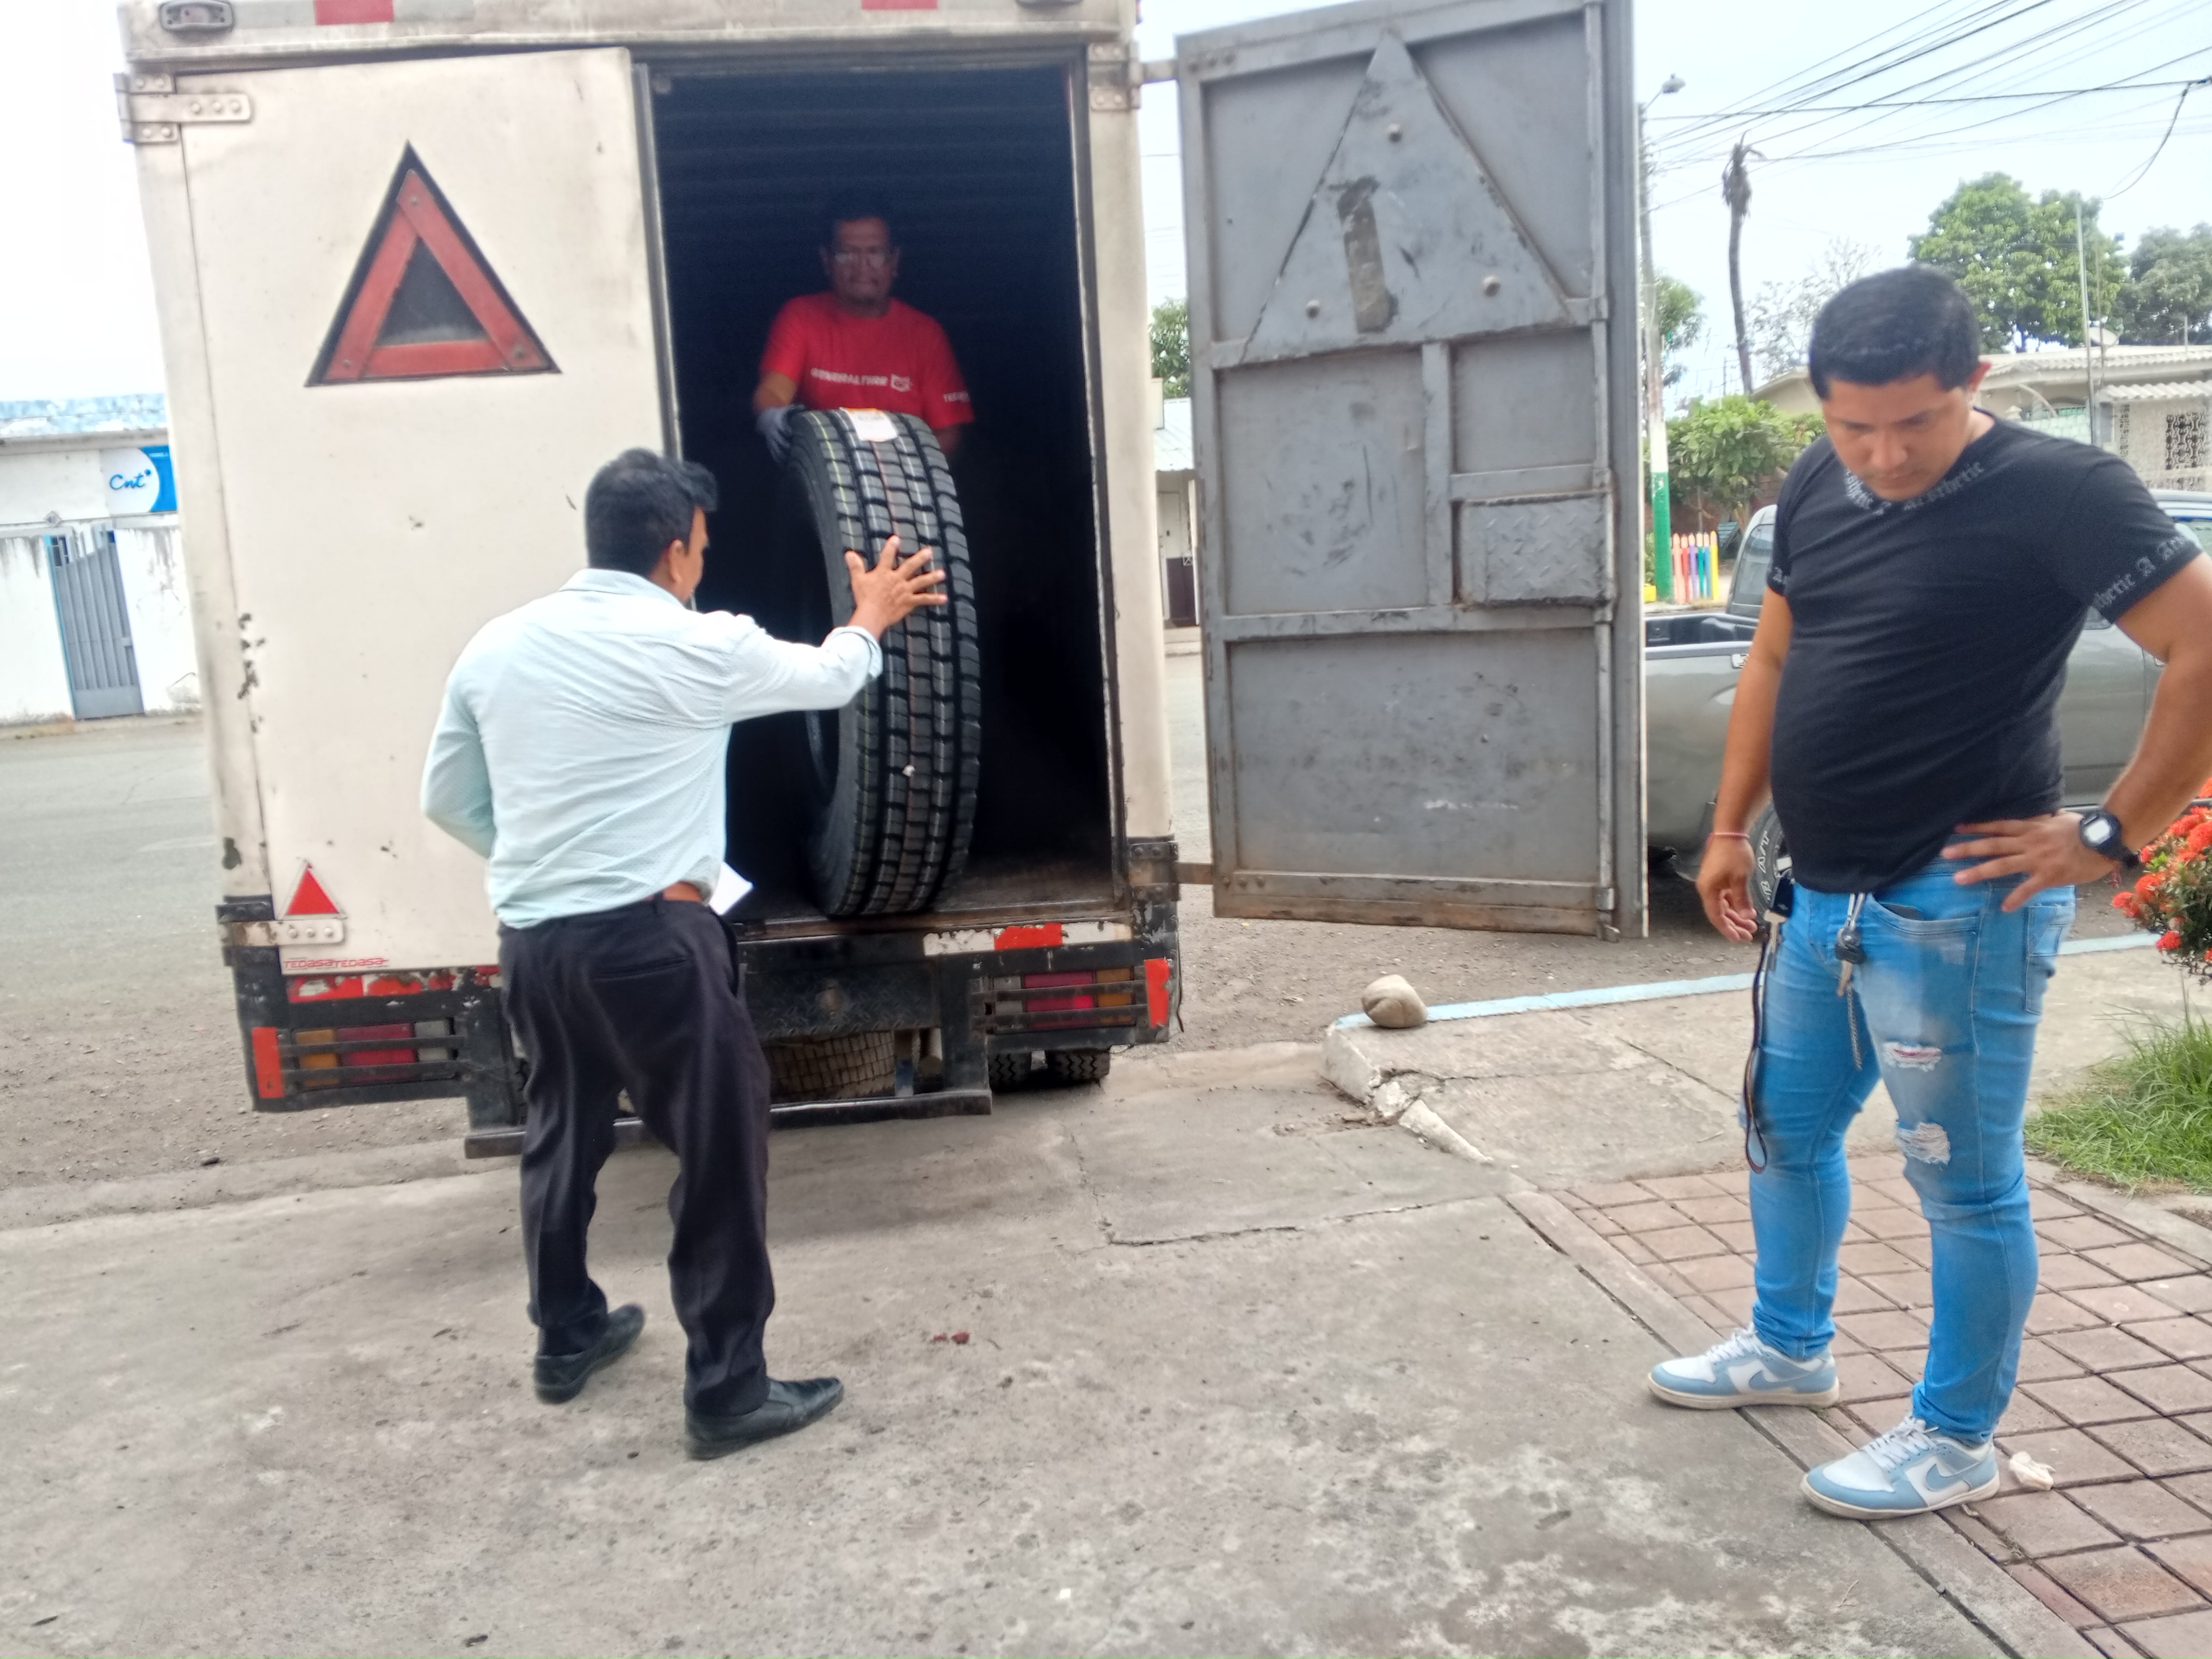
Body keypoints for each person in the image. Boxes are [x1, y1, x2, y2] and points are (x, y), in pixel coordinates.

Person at [1647, 266, 2212, 1519]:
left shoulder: (2063, 490)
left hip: (1955, 903)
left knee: (1960, 1177)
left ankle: (1955, 1437)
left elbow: (2202, 645)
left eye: (1915, 420)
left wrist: (2111, 836)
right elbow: (1776, 654)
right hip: (1819, 891)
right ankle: (1787, 1346)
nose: (1884, 453)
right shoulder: (1817, 478)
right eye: (1853, 424)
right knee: (1781, 1131)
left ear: (1975, 382)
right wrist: (1729, 824)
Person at [421, 447, 944, 1459]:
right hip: (651, 947)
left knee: (560, 1129)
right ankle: (727, 1390)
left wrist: (550, 867)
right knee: (716, 1150)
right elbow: (832, 676)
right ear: (674, 551)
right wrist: (871, 613)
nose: (701, 564)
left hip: (534, 942)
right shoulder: (700, 643)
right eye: (700, 547)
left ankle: (565, 1334)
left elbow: (446, 800)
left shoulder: (495, 647)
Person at [754, 201, 973, 462]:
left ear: (894, 261)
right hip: (823, 469)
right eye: (847, 254)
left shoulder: (925, 334)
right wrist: (774, 417)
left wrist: (890, 467)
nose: (862, 266)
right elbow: (774, 391)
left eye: (875, 253)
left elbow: (948, 434)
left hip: (904, 475)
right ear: (826, 261)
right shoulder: (801, 316)